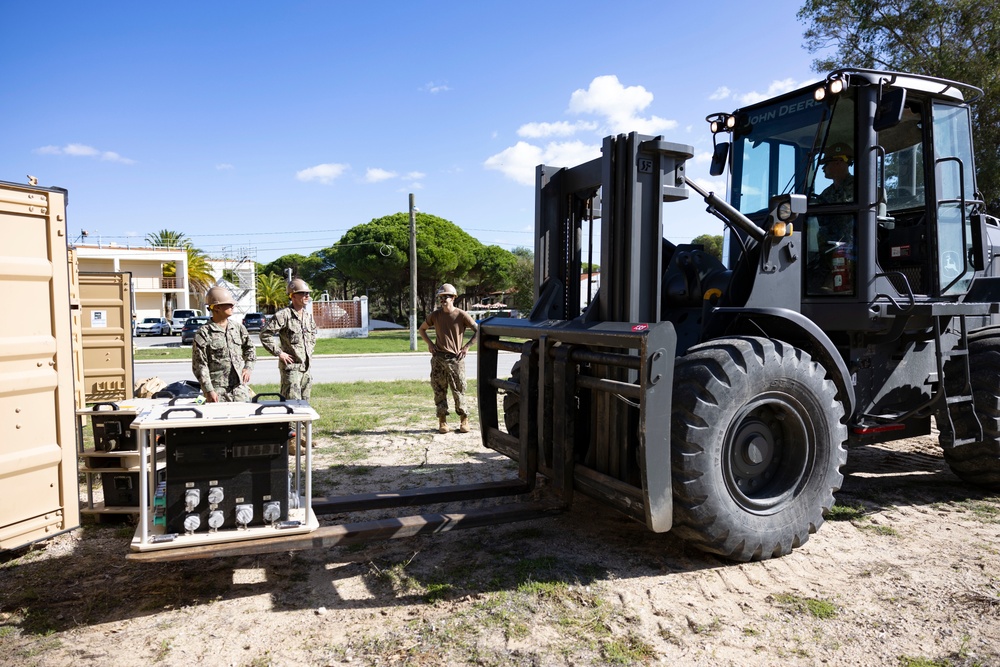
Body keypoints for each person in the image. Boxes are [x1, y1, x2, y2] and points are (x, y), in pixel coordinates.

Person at [419, 283, 478, 433]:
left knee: (459, 390)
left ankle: (464, 420)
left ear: (453, 298)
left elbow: (478, 330)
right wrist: (430, 344)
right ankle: (442, 422)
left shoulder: (461, 315)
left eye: (447, 297)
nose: (444, 300)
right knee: (439, 390)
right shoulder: (435, 315)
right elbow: (422, 329)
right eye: (441, 297)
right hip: (438, 358)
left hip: (455, 359)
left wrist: (466, 347)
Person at [192, 286, 255, 402]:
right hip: (217, 391)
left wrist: (248, 368)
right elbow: (200, 365)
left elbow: (250, 349)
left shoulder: (238, 328)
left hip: (239, 389)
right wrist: (209, 390)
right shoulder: (204, 333)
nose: (232, 306)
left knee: (245, 418)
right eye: (228, 304)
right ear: (216, 307)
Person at [260, 278, 317, 401]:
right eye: (303, 293)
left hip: (306, 368)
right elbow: (265, 334)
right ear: (293, 296)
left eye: (308, 293)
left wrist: (310, 350)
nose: (307, 296)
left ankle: (303, 422)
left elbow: (312, 335)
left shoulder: (307, 316)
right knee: (291, 405)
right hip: (291, 369)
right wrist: (279, 353)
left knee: (305, 405)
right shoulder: (284, 315)